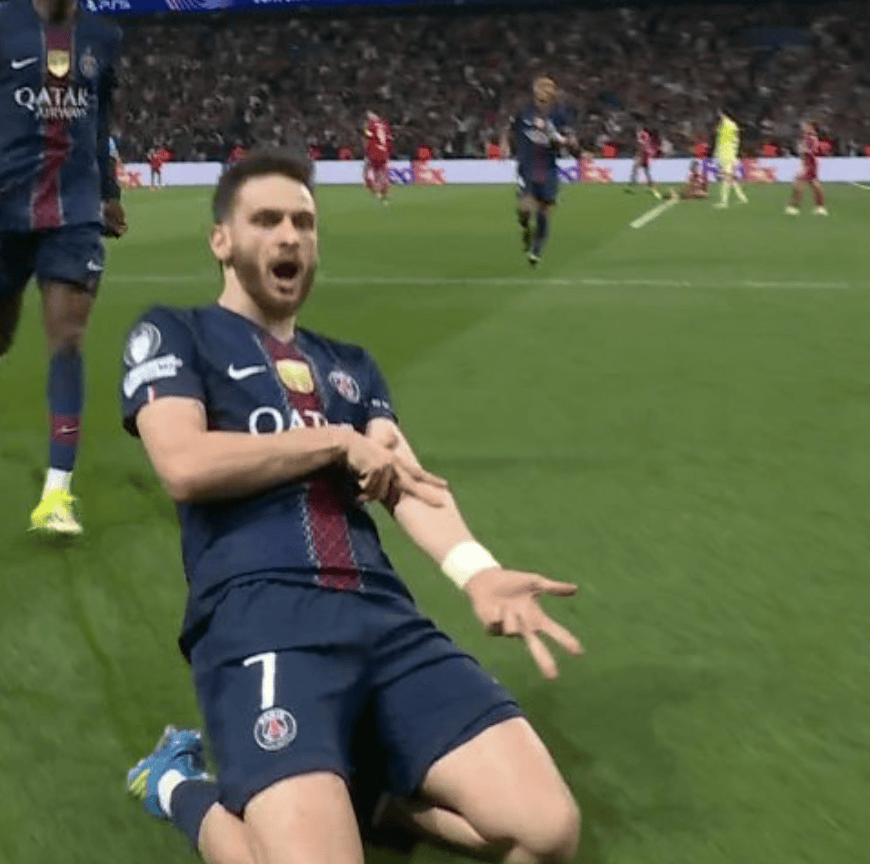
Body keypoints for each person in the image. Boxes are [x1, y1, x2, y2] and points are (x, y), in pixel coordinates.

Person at [119, 149, 584, 864]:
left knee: (547, 833)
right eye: (266, 220)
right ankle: (177, 785)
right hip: (261, 621)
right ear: (222, 240)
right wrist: (334, 441)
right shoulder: (175, 334)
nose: (289, 237)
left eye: (304, 223)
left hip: (382, 616)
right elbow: (183, 464)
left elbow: (407, 484)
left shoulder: (351, 366)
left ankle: (373, 797)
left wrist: (477, 571)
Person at [0, 0, 127, 535]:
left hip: (74, 213)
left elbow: (100, 120)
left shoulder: (103, 37)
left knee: (67, 338)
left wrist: (109, 191)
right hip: (1, 209)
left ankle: (57, 493)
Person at [510, 77, 576, 266]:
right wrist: (505, 143)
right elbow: (509, 128)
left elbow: (571, 139)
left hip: (548, 169)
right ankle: (524, 227)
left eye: (548, 89)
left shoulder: (559, 115)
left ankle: (536, 251)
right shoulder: (524, 112)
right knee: (525, 209)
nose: (544, 92)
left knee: (543, 211)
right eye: (540, 88)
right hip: (527, 168)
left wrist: (568, 142)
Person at [785, 120, 827, 216]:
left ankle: (793, 207)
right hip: (810, 164)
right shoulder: (809, 138)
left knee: (800, 185)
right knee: (815, 185)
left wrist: (803, 166)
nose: (804, 127)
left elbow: (806, 152)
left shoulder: (810, 138)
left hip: (809, 164)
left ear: (811, 128)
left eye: (807, 126)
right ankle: (820, 208)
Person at [714, 109, 748, 208]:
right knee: (731, 178)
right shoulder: (733, 126)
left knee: (726, 178)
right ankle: (742, 198)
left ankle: (724, 202)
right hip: (730, 153)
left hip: (726, 154)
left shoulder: (726, 125)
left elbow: (719, 137)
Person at [363, 110, 392, 204]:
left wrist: (365, 127)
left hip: (374, 152)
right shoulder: (385, 125)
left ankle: (377, 194)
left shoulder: (371, 123)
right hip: (384, 153)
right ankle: (384, 195)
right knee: (382, 175)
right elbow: (389, 139)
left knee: (367, 174)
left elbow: (368, 135)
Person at [627, 124, 661, 199]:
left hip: (643, 154)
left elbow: (641, 144)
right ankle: (649, 183)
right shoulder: (648, 135)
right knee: (645, 170)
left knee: (636, 168)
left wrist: (638, 155)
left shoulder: (642, 134)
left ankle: (633, 182)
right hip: (646, 154)